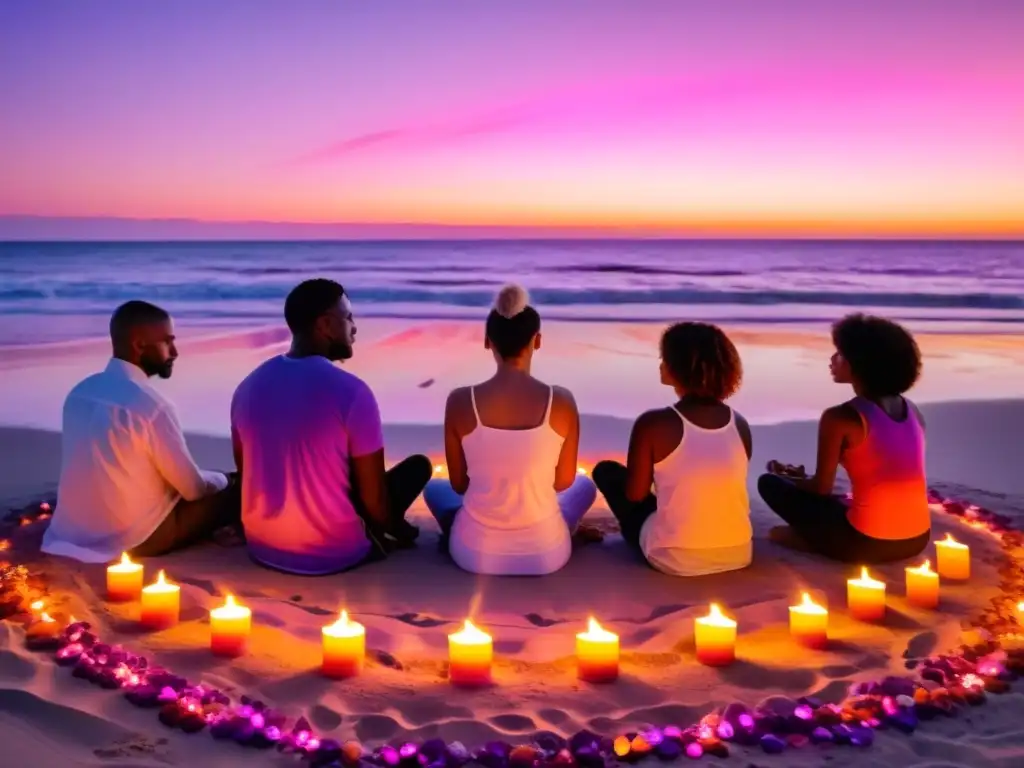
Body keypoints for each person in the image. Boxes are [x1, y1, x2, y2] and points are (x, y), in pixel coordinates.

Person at [230, 278, 431, 575]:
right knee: (418, 468)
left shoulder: (247, 387)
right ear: (324, 325)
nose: (354, 327)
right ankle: (391, 535)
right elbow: (374, 501)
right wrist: (391, 528)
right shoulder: (352, 392)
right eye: (348, 317)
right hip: (333, 552)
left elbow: (247, 475)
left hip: (263, 545)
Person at [42, 301, 238, 563]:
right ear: (139, 345)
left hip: (72, 532)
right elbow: (192, 490)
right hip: (136, 537)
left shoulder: (81, 391)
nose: (175, 352)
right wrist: (225, 480)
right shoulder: (150, 404)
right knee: (239, 485)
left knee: (202, 477)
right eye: (167, 342)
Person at [422, 284, 597, 576]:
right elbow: (563, 481)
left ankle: (458, 530)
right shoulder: (562, 401)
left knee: (434, 488)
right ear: (537, 341)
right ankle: (565, 527)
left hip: (474, 554)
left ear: (487, 342)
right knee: (584, 486)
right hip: (547, 554)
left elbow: (460, 485)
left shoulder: (460, 400)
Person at [758, 313, 930, 563]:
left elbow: (821, 488)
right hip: (917, 540)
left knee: (768, 483)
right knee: (841, 502)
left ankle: (813, 542)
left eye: (839, 354)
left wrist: (787, 477)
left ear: (859, 363)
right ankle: (819, 538)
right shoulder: (912, 411)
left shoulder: (841, 417)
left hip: (866, 543)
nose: (832, 359)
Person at [592, 322, 752, 576]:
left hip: (675, 558)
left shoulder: (653, 423)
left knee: (606, 472)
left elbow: (635, 494)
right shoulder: (740, 424)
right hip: (739, 551)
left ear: (679, 367)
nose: (660, 364)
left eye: (664, 358)